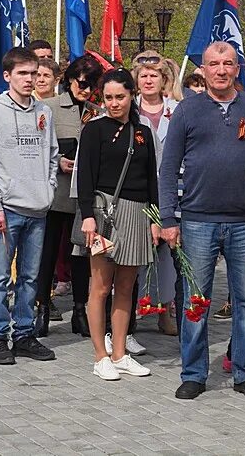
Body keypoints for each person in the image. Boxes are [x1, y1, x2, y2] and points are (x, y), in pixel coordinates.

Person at [159, 41, 245, 401]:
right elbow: (168, 169)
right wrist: (169, 217)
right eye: (214, 64)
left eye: (228, 63)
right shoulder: (187, 110)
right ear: (204, 69)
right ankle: (194, 373)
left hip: (244, 221)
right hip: (198, 220)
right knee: (197, 300)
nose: (221, 70)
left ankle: (244, 371)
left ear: (237, 67)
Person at [0, 47, 59, 365]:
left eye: (34, 72)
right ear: (7, 76)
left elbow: (52, 155)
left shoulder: (44, 111)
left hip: (38, 209)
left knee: (30, 277)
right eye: (23, 73)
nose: (31, 79)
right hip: (7, 210)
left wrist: (48, 189)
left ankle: (24, 334)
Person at [77, 69, 159, 381]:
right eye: (109, 97)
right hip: (104, 214)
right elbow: (85, 176)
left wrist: (155, 219)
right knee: (100, 287)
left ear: (131, 95)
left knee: (126, 287)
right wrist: (87, 216)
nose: (114, 103)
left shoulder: (143, 131)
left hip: (138, 213)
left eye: (120, 97)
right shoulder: (94, 130)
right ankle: (101, 355)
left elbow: (151, 177)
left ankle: (121, 352)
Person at [35, 54, 104, 338]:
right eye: (81, 82)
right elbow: (37, 149)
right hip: (55, 194)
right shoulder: (47, 108)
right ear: (69, 79)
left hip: (84, 199)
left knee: (80, 254)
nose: (85, 89)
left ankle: (79, 311)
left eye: (91, 85)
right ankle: (41, 308)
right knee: (47, 253)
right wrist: (58, 161)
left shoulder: (97, 112)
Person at [131, 50, 179, 338]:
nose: (149, 80)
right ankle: (134, 310)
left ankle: (166, 310)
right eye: (143, 76)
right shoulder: (128, 110)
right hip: (137, 193)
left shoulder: (178, 110)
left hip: (172, 191)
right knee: (136, 252)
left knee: (169, 254)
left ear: (164, 80)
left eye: (154, 76)